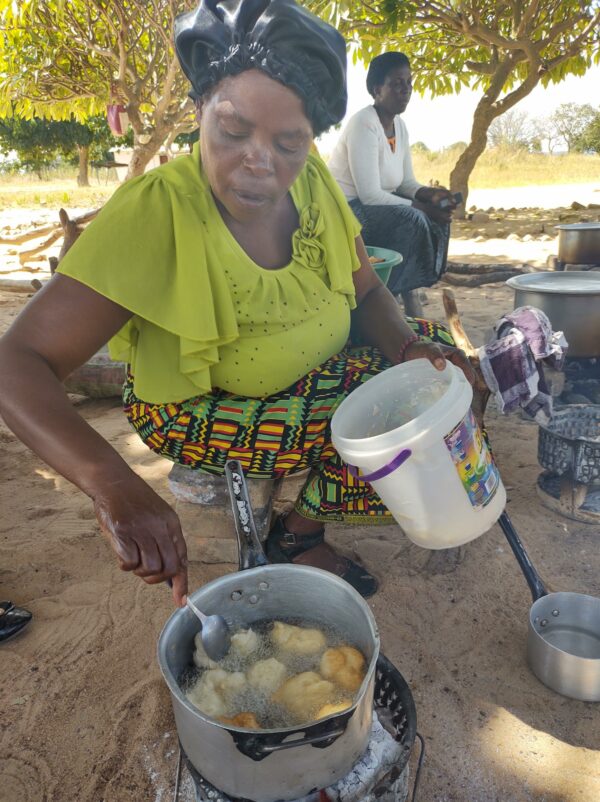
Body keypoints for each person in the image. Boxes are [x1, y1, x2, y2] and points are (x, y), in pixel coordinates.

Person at [0, 0, 473, 606]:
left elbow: (369, 291)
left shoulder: (316, 183)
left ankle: (299, 530)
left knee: (424, 381)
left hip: (302, 378)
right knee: (379, 422)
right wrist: (112, 484)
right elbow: (18, 362)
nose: (260, 161)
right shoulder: (159, 210)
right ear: (199, 110)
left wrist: (412, 346)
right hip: (192, 405)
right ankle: (295, 534)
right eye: (233, 130)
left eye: (289, 141)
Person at [327, 51, 458, 316]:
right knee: (413, 219)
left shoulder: (401, 126)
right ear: (377, 89)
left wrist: (430, 196)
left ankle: (415, 287)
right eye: (397, 84)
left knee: (440, 218)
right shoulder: (364, 124)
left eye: (409, 82)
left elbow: (405, 182)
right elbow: (370, 195)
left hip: (374, 208)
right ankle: (387, 299)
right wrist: (420, 209)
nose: (406, 90)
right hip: (346, 211)